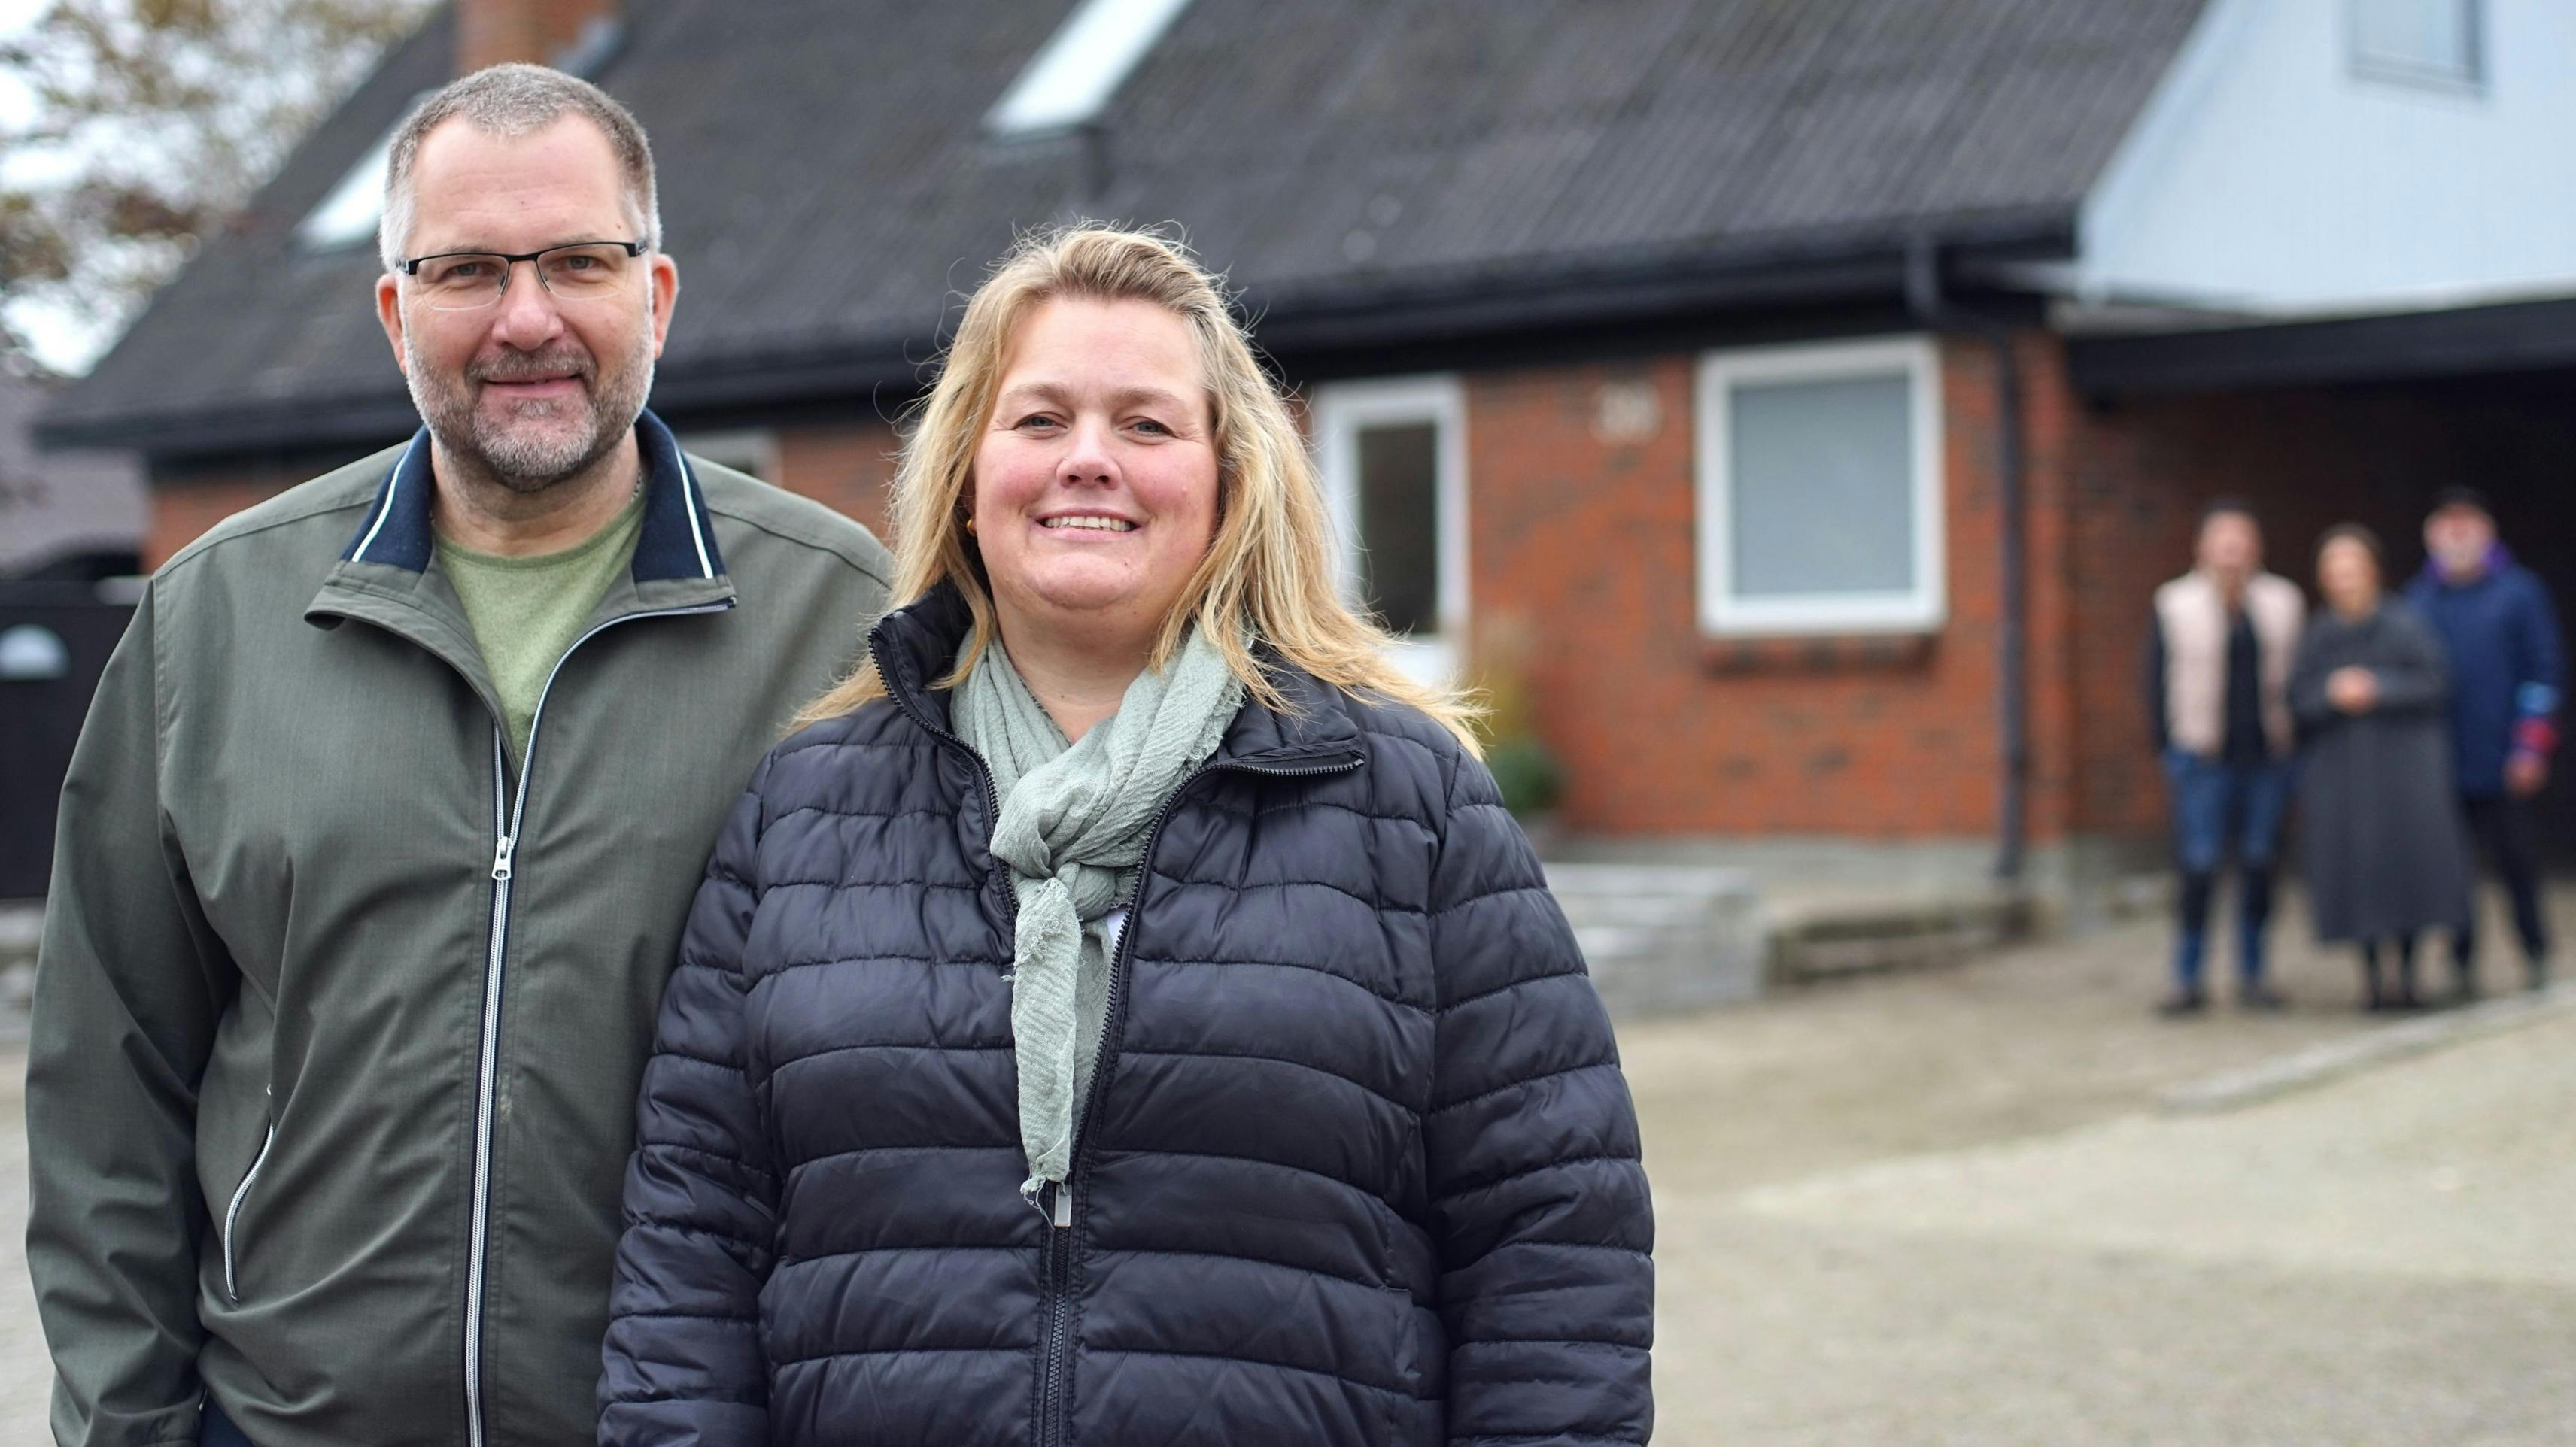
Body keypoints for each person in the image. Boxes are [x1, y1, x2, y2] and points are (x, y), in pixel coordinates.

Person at [598, 226, 1655, 1446]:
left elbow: (1550, 1236)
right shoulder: (802, 809)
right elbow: (693, 1239)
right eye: (1039, 419)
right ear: (964, 469)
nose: (1087, 460)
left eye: (1146, 426)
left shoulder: (1404, 802)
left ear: (1224, 476)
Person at [27, 65, 889, 1447]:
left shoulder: (836, 617)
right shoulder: (216, 616)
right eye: (468, 269)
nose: (528, 317)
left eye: (577, 262)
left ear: (654, 297)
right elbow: (106, 1080)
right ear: (394, 312)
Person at [2289, 526, 2472, 1011]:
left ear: (2373, 572)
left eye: (2353, 570)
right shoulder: (2319, 635)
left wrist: (2378, 688)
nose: (2345, 580)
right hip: (2343, 782)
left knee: (2406, 871)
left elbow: (2435, 684)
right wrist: (2331, 694)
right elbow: (2297, 698)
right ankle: (2371, 980)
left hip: (2401, 778)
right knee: (2357, 876)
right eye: (2335, 571)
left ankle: (2409, 977)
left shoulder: (2405, 625)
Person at [2145, 501, 2305, 1014]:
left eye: (2242, 539)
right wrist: (2168, 748)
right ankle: (2187, 978)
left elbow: (2299, 677)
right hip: (2202, 758)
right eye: (2223, 539)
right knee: (2199, 865)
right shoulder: (2173, 603)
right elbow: (2153, 681)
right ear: (2203, 548)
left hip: (2266, 758)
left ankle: (2253, 975)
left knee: (2259, 865)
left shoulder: (2283, 602)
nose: (2233, 550)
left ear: (2256, 547)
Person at [2407, 487, 2562, 997]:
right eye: (2446, 523)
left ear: (2486, 530)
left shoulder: (2518, 593)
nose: (2456, 533)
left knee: (2517, 863)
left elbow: (2543, 674)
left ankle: (2536, 956)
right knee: (2454, 873)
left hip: (2503, 758)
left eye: (2465, 522)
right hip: (2440, 763)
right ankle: (2461, 964)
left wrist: (2531, 748)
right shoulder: (2419, 600)